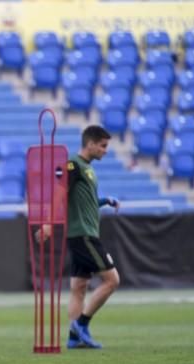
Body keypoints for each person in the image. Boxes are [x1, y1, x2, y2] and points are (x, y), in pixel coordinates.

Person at [37, 125, 120, 349]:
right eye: (103, 146)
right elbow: (59, 193)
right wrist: (47, 222)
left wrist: (106, 201)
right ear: (90, 143)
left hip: (82, 234)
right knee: (112, 280)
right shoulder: (72, 164)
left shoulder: (87, 169)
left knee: (79, 286)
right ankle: (81, 324)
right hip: (84, 235)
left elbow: (86, 200)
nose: (105, 150)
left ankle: (74, 339)